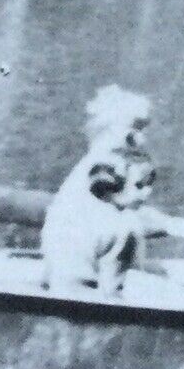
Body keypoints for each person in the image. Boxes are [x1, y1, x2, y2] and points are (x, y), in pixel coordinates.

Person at [40, 86, 159, 295]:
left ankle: (101, 291)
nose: (142, 138)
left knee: (125, 232)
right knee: (126, 231)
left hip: (82, 236)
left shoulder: (106, 158)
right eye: (137, 128)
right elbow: (114, 198)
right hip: (77, 241)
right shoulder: (108, 159)